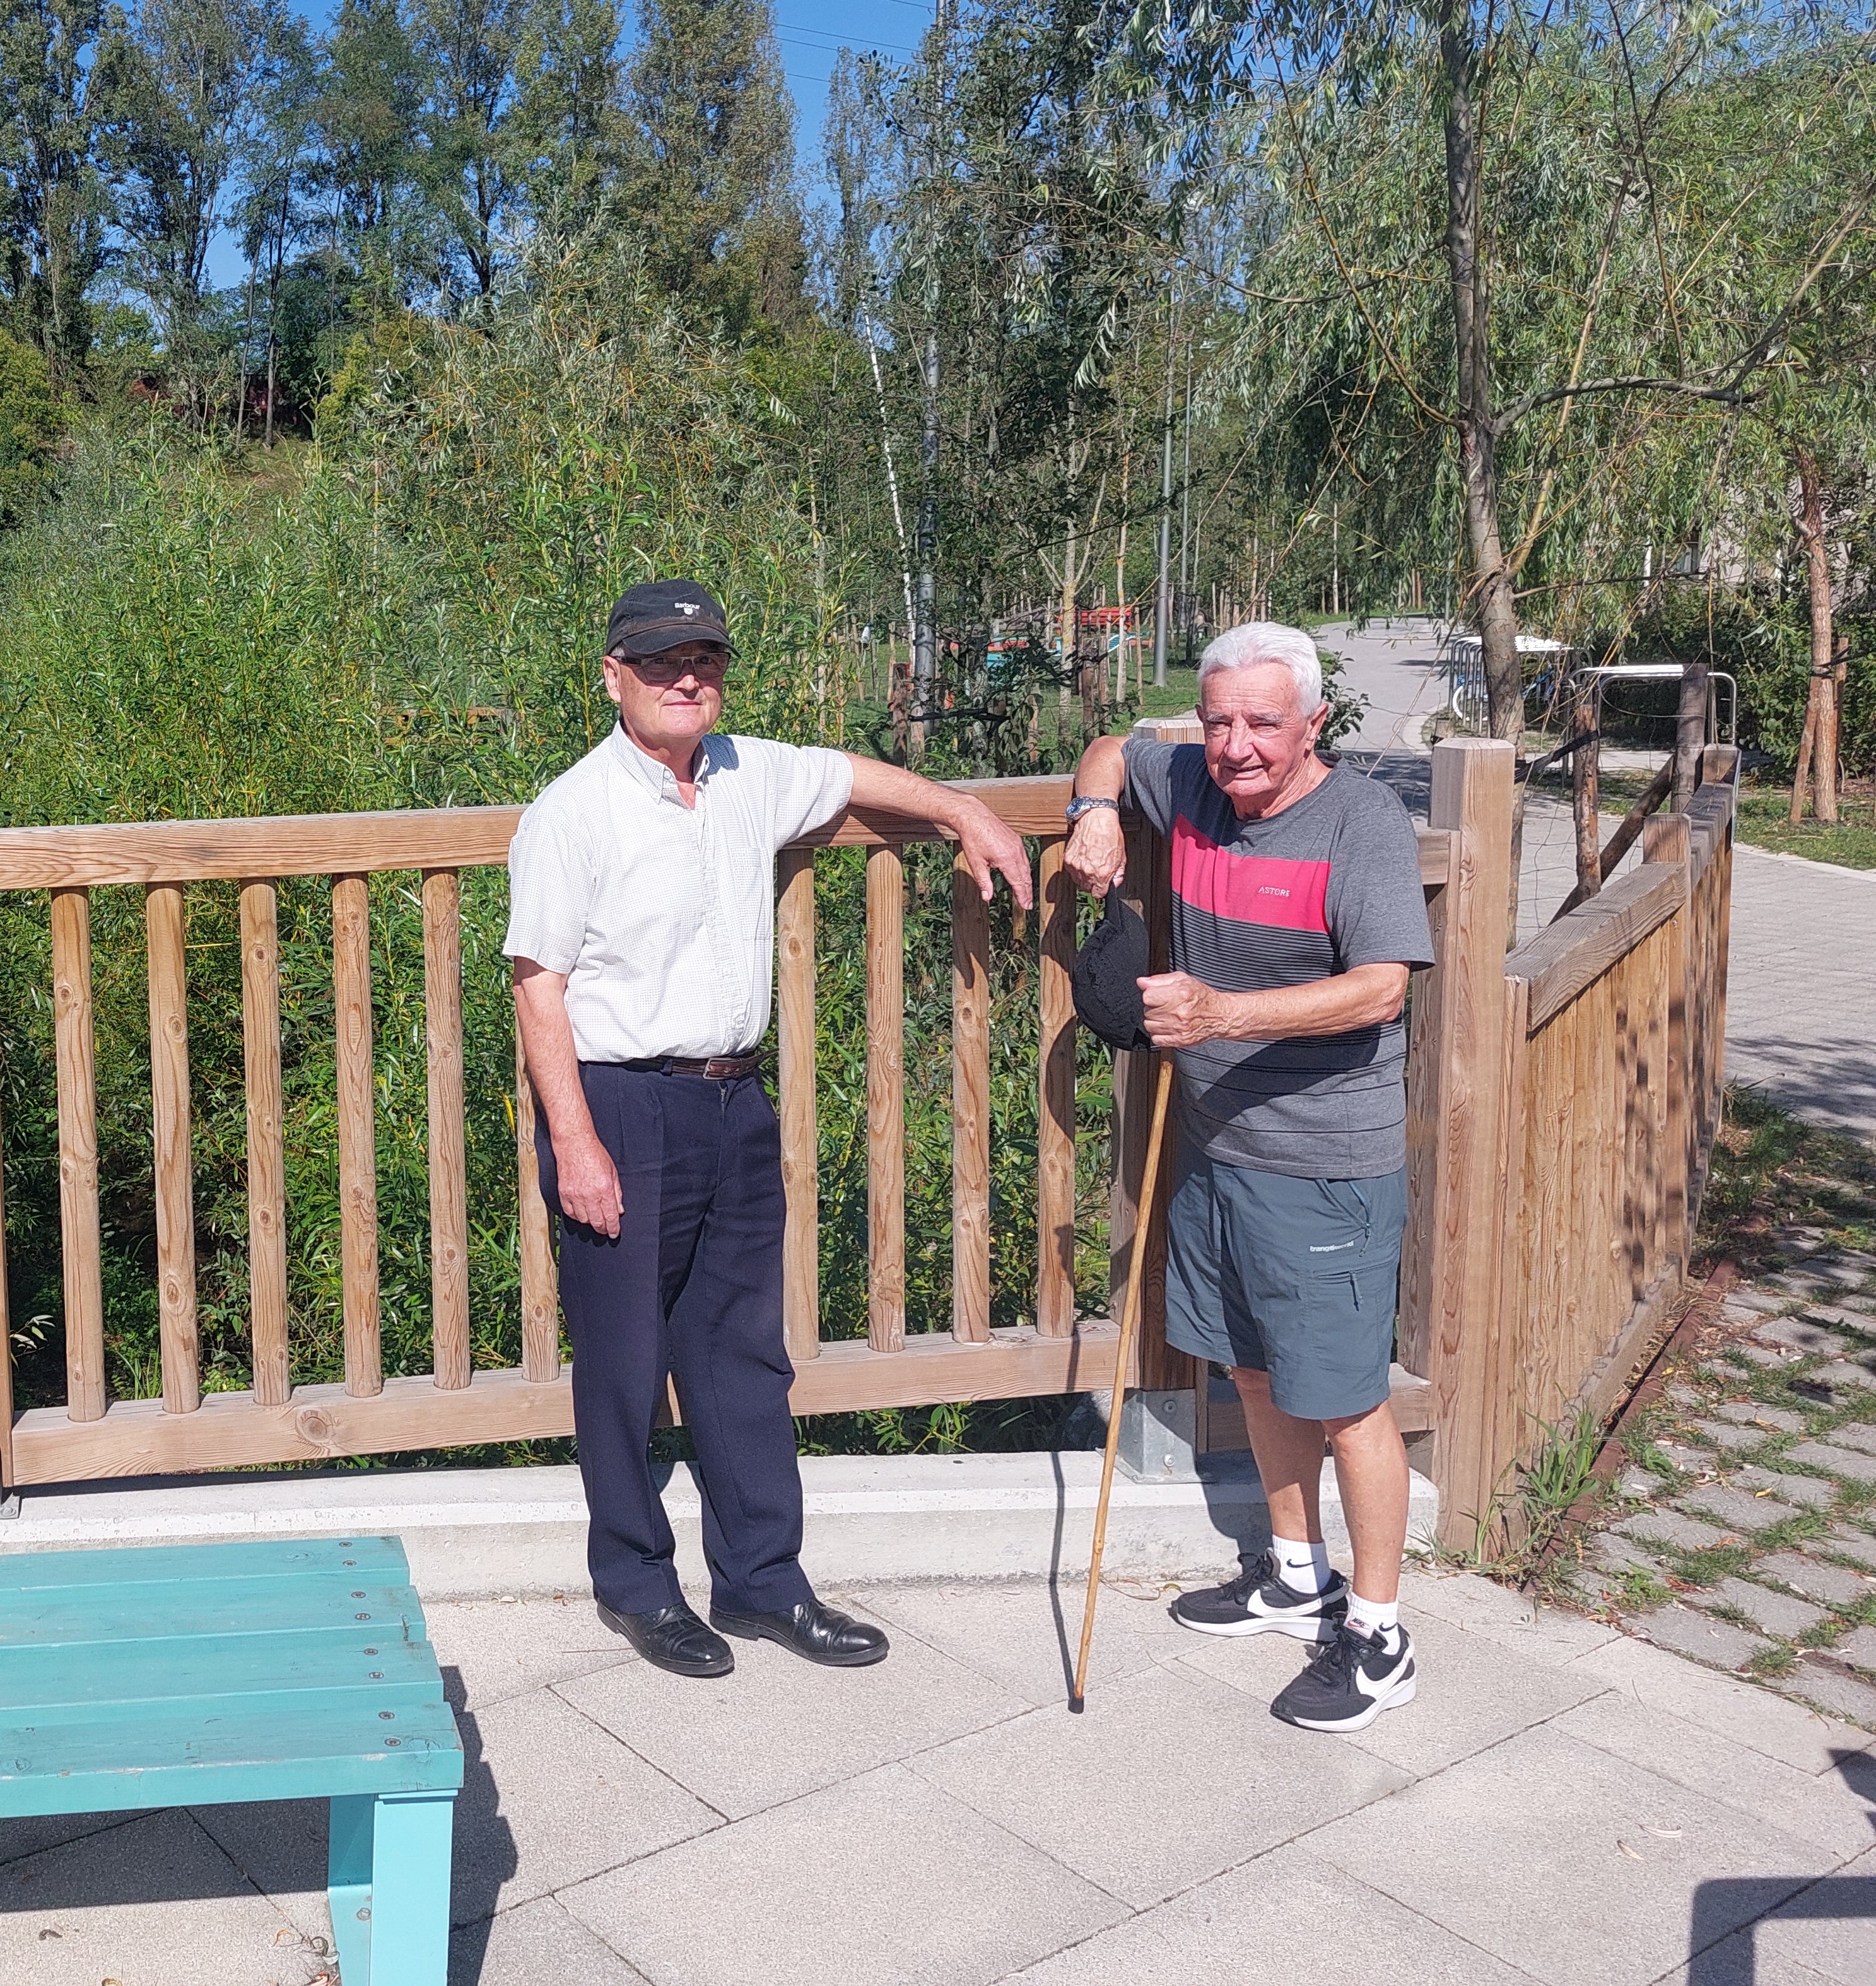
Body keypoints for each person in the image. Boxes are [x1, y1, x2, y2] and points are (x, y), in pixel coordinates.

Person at [506, 580, 1031, 1679]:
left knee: (744, 1354)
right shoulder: (573, 811)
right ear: (614, 678)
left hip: (736, 1101)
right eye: (660, 663)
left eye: (703, 658)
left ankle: (761, 1583)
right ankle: (638, 1587)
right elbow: (539, 985)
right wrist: (577, 1144)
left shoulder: (746, 772)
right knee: (622, 1362)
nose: (686, 678)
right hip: (622, 1104)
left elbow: (852, 773)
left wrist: (964, 812)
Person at [1060, 619, 1434, 1733]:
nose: (1235, 747)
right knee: (1258, 1376)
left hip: (1326, 1163)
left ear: (1313, 722)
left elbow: (1380, 990)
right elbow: (1114, 751)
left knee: (1348, 1401)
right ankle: (1292, 1571)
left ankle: (1377, 1634)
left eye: (1263, 723)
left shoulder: (1360, 821)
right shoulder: (1196, 784)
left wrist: (1223, 1012)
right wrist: (1090, 816)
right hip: (1219, 1150)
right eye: (1219, 722)